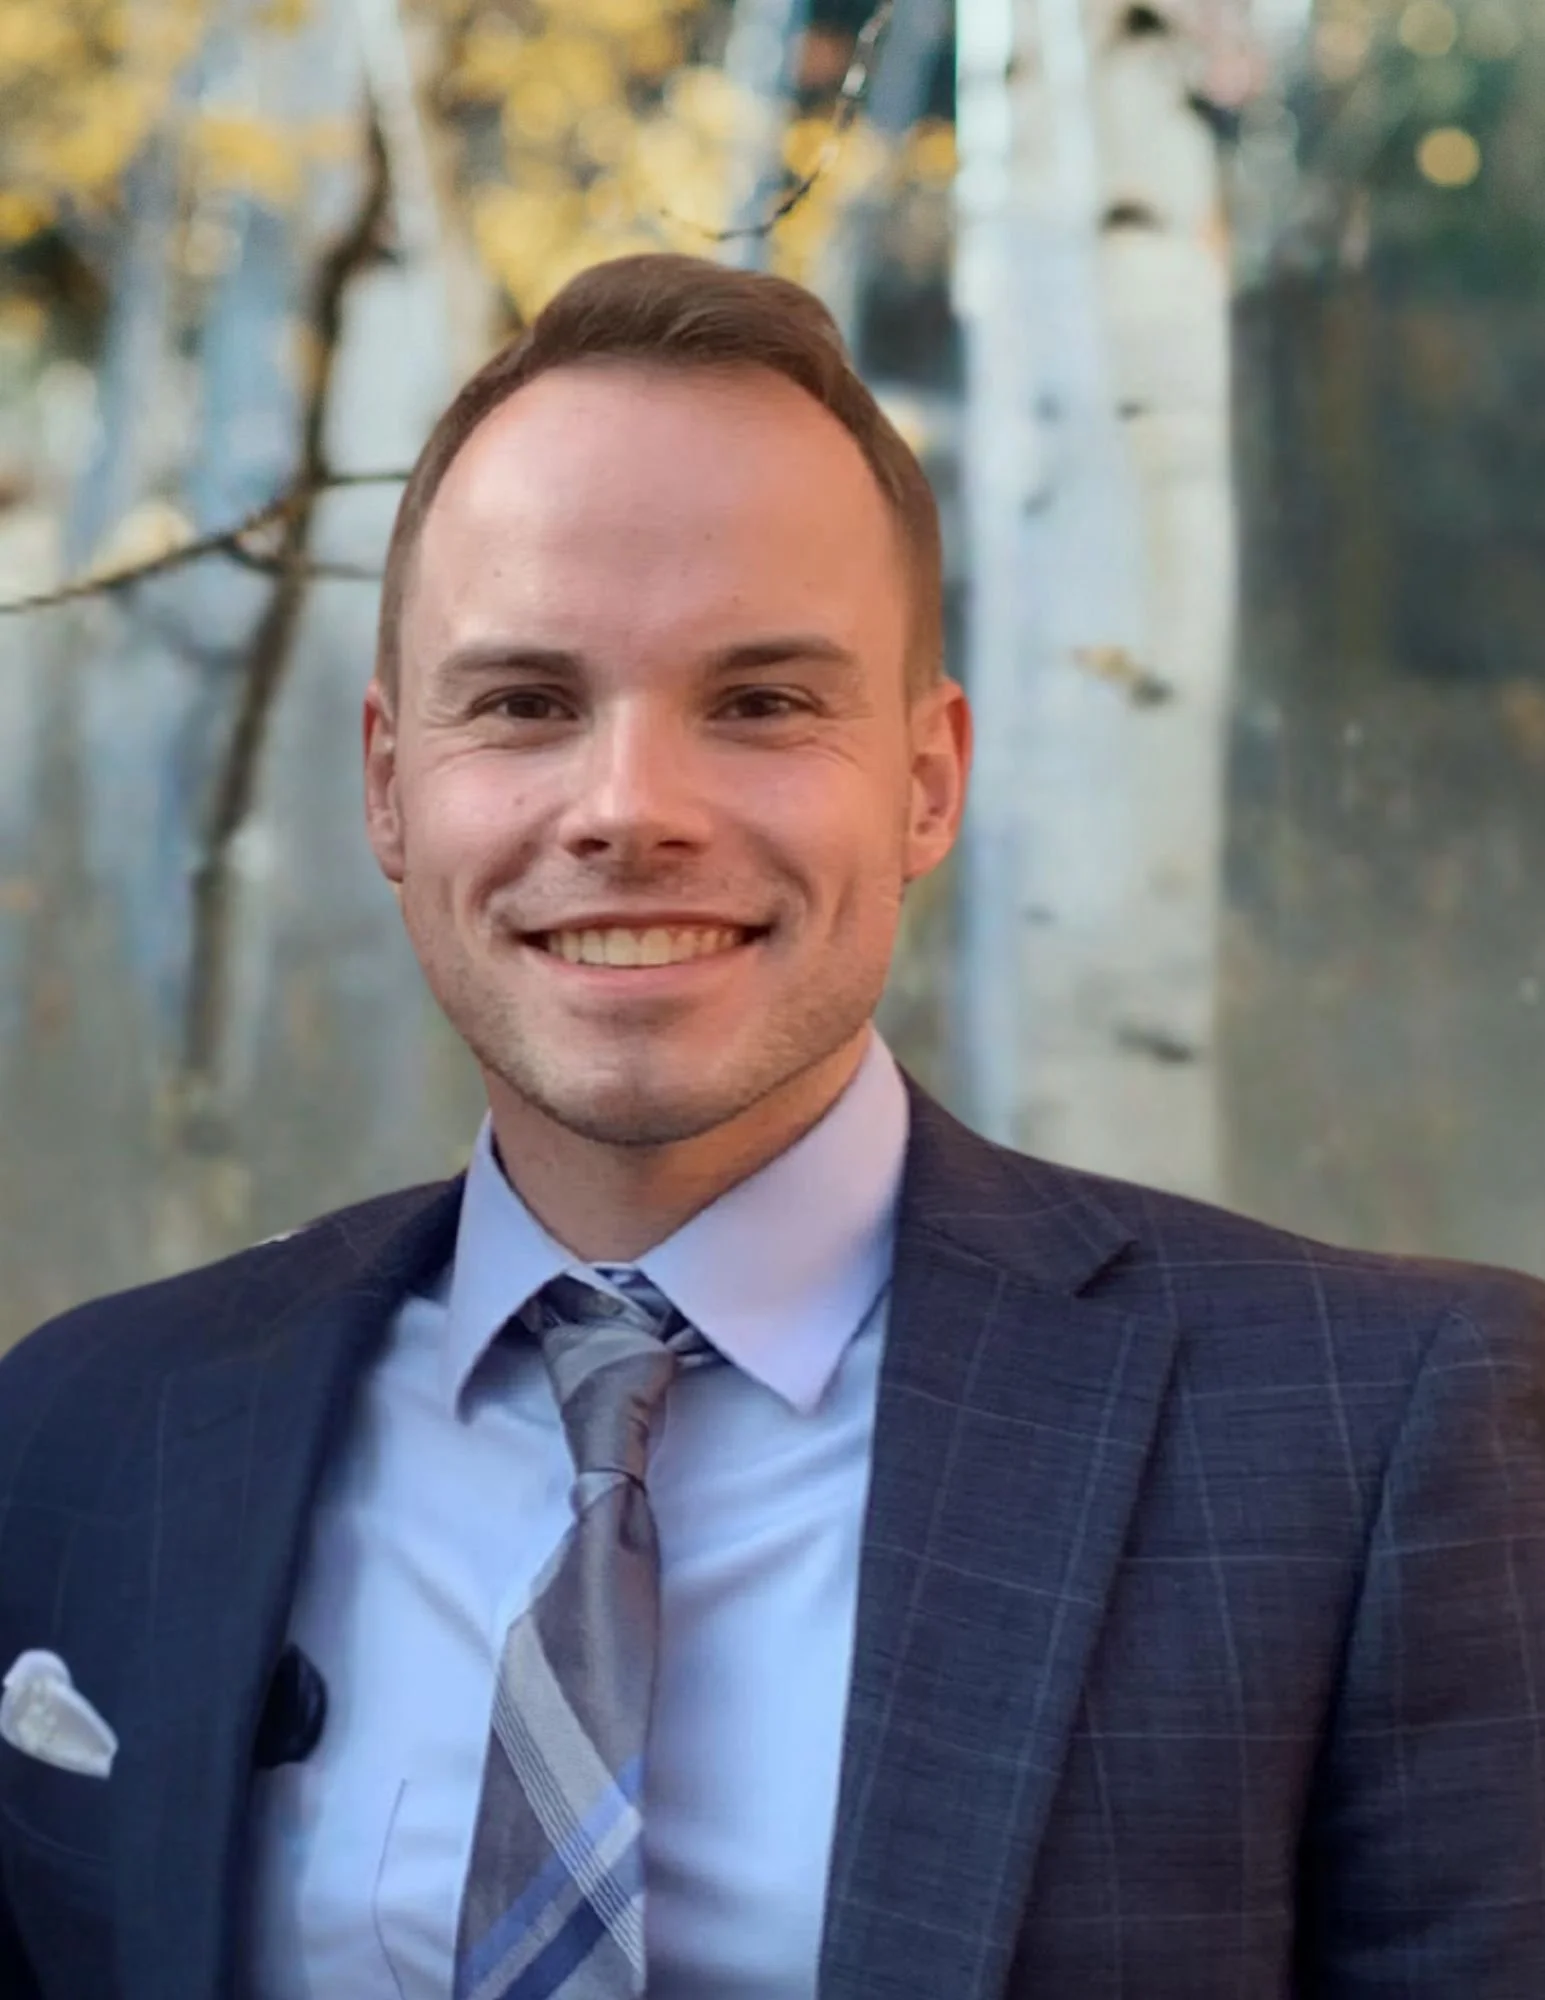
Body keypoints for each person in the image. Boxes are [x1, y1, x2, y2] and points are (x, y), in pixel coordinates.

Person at [2, 252, 1543, 2000]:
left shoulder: (1376, 1435)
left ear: (928, 779)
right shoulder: (82, 1433)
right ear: (386, 785)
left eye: (759, 702)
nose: (628, 808)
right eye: (524, 703)